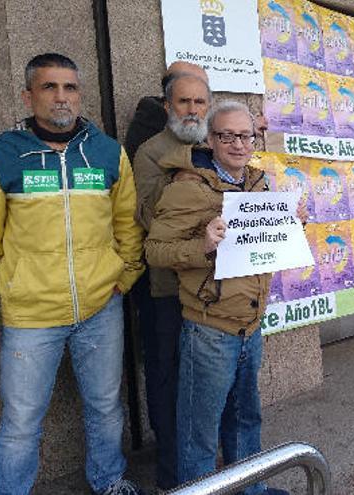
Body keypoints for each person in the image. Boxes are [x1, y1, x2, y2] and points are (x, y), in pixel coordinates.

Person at [0, 53, 145, 495]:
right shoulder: (3, 155)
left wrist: (126, 275)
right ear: (28, 95)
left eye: (70, 87)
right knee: (21, 422)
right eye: (49, 87)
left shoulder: (107, 152)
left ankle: (110, 480)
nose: (62, 96)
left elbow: (126, 224)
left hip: (100, 307)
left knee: (105, 406)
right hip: (29, 315)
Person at [145, 100, 298, 494]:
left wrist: (288, 230)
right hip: (209, 332)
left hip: (251, 326)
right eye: (226, 135)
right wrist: (202, 245)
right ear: (211, 140)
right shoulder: (186, 188)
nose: (237, 144)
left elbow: (260, 247)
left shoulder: (258, 182)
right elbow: (155, 251)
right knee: (199, 431)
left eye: (245, 136)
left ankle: (251, 490)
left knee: (246, 421)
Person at [131, 69, 211, 489]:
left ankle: (202, 466)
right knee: (166, 377)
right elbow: (145, 216)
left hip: (212, 286)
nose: (192, 110)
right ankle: (172, 475)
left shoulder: (214, 144)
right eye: (184, 102)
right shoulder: (149, 152)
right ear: (168, 107)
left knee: (203, 380)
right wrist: (183, 186)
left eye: (200, 102)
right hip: (166, 289)